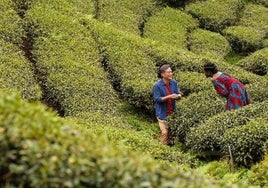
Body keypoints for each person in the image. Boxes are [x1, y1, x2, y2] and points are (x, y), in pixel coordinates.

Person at [153, 64, 181, 145]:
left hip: (172, 112)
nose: (171, 74)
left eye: (171, 72)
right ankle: (161, 150)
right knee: (165, 133)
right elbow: (157, 99)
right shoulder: (157, 86)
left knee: (170, 134)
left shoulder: (174, 83)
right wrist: (169, 96)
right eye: (168, 72)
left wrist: (178, 96)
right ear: (162, 74)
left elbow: (177, 94)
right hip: (162, 113)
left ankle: (169, 148)